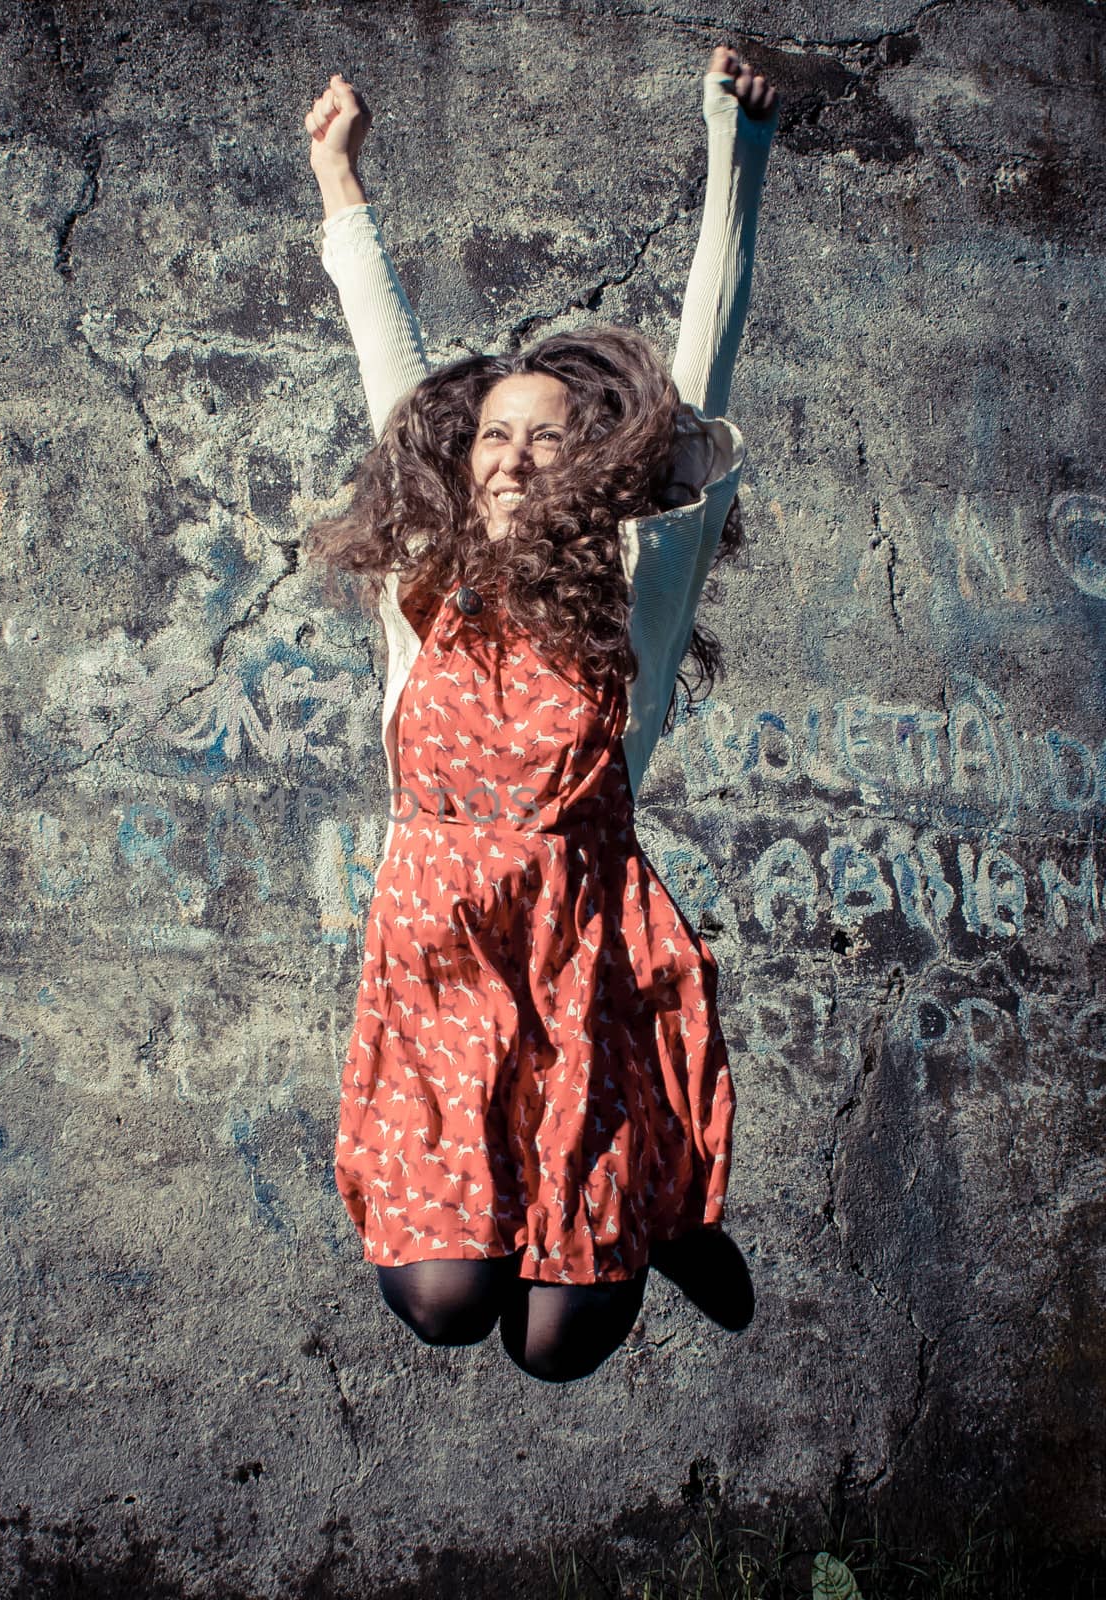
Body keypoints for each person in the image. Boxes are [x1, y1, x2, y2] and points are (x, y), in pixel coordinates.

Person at [302, 46, 780, 1382]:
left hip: (586, 967)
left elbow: (706, 364)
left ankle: (654, 1203)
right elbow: (388, 368)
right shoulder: (424, 583)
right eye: (493, 435)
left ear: (599, 464)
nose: (512, 453)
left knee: (557, 1346)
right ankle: (647, 1198)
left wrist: (736, 157)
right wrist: (343, 185)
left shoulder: (643, 585)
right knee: (448, 1303)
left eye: (548, 436)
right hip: (439, 966)